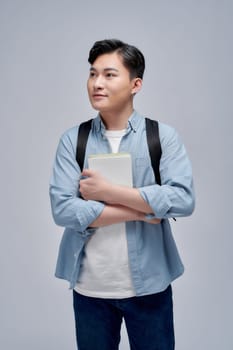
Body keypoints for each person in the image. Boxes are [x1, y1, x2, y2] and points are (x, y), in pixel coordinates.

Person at [49, 39, 195, 350]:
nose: (96, 83)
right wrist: (144, 210)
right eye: (92, 74)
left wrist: (108, 192)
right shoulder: (73, 140)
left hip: (150, 287)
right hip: (90, 290)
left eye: (109, 74)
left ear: (135, 84)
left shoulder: (162, 137)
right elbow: (63, 210)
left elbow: (182, 200)